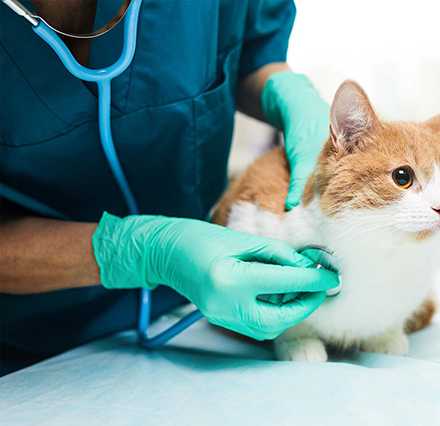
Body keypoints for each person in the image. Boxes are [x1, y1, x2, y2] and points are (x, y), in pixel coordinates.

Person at [0, 0, 339, 375]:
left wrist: (287, 91)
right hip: (26, 353)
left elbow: (251, 50)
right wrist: (147, 252)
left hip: (199, 317)